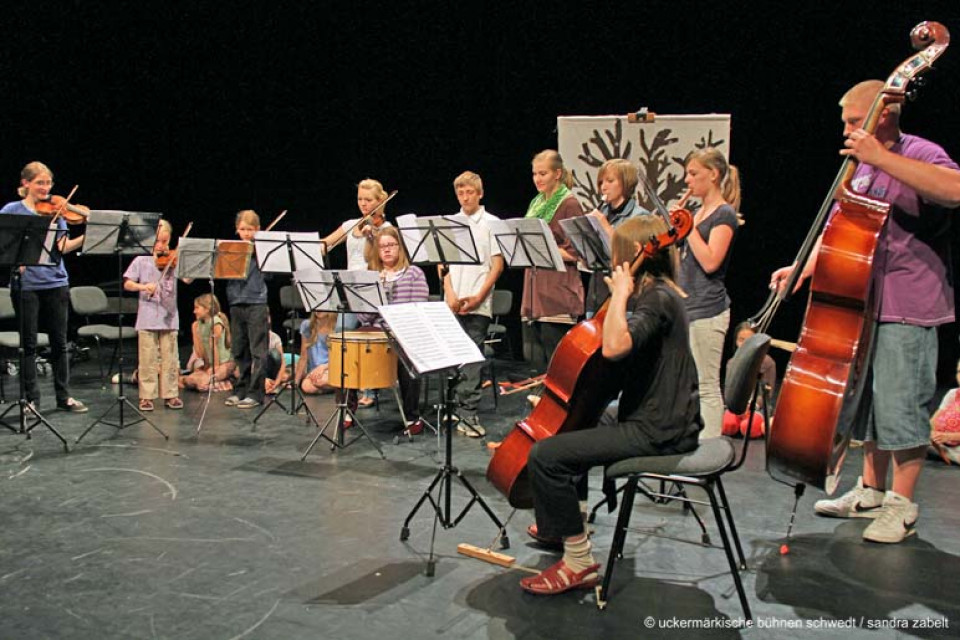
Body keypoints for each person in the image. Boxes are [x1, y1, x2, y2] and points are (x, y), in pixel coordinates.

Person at [772, 80, 960, 543]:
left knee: (901, 409)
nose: (848, 131)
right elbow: (841, 228)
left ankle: (903, 504)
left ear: (885, 114)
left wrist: (881, 157)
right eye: (846, 124)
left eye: (854, 121)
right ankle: (871, 491)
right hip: (860, 301)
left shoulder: (920, 152)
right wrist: (803, 267)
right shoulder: (860, 168)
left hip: (906, 302)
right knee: (869, 408)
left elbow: (955, 191)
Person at [520, 215, 702, 595]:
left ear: (635, 254)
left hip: (659, 428)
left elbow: (616, 347)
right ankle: (573, 520)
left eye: (615, 251)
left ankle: (578, 563)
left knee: (546, 455)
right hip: (661, 416)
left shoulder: (657, 299)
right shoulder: (659, 294)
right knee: (583, 420)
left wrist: (619, 295)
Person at [1, 162, 87, 413]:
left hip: (57, 282)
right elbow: (5, 245)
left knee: (60, 342)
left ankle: (64, 397)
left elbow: (61, 248)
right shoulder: (12, 210)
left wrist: (86, 236)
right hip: (26, 285)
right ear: (26, 183)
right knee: (28, 344)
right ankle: (31, 399)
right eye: (40, 182)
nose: (45, 188)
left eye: (48, 183)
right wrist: (16, 261)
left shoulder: (55, 212)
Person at [678, 147, 741, 439]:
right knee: (687, 384)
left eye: (693, 174)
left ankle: (710, 452)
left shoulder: (724, 214)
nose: (687, 181)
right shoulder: (696, 211)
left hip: (708, 308)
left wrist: (688, 228)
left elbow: (711, 260)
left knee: (707, 385)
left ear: (713, 175)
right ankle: (691, 444)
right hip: (687, 306)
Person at [440, 171, 504, 438]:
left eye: (470, 192)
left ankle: (469, 413)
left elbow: (497, 265)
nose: (465, 197)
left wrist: (478, 297)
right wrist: (450, 293)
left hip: (478, 302)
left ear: (480, 193)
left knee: (471, 357)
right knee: (452, 357)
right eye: (461, 193)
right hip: (453, 300)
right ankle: (453, 406)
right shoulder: (448, 223)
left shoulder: (492, 223)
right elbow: (442, 265)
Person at [321, 178, 393, 407]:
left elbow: (386, 258)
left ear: (380, 200)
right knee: (343, 333)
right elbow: (327, 242)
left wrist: (373, 235)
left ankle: (370, 390)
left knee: (368, 338)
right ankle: (347, 391)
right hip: (350, 287)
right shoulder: (351, 224)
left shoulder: (387, 228)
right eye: (360, 199)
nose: (363, 204)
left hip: (375, 287)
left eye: (368, 200)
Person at [358, 227, 430, 435]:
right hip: (378, 332)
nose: (387, 250)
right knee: (346, 346)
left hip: (403, 332)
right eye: (382, 246)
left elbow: (417, 311)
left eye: (391, 245)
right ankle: (347, 410)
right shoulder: (372, 277)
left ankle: (412, 416)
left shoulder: (414, 273)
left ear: (400, 247)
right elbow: (364, 318)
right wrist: (376, 293)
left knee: (407, 353)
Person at [520, 150, 585, 373]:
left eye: (543, 173)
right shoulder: (536, 203)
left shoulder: (569, 204)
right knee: (534, 364)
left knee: (556, 366)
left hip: (557, 294)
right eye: (534, 174)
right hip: (534, 293)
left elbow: (576, 253)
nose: (537, 179)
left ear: (557, 174)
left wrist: (541, 248)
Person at [122, 220, 182, 411]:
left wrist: (185, 262)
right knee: (147, 359)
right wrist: (143, 286)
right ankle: (147, 396)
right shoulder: (141, 260)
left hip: (169, 317)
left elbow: (188, 279)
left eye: (165, 241)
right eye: (157, 241)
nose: (161, 246)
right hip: (147, 317)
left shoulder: (174, 259)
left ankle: (170, 395)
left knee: (170, 360)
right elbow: (127, 283)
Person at [583, 158, 649, 316]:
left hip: (625, 298)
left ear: (626, 183)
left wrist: (603, 223)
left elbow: (630, 255)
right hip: (597, 292)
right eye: (601, 182)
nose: (603, 187)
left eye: (610, 181)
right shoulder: (602, 212)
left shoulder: (639, 216)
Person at [223, 210, 271, 410]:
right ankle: (240, 390)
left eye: (250, 230)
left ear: (258, 230)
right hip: (235, 301)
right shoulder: (231, 249)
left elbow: (270, 276)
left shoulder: (263, 249)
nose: (246, 234)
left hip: (257, 302)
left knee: (258, 350)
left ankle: (255, 393)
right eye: (242, 229)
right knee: (239, 349)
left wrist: (260, 257)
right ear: (237, 230)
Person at [721, 321, 775, 438]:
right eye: (741, 340)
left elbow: (767, 394)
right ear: (736, 341)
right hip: (737, 406)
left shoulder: (767, 362)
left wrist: (751, 406)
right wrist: (737, 406)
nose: (744, 345)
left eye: (749, 341)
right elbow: (729, 390)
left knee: (748, 428)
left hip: (757, 407)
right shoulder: (731, 363)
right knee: (727, 426)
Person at [180, 293, 235, 392]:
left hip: (224, 363)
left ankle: (218, 380)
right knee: (190, 380)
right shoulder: (196, 325)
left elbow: (213, 347)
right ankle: (205, 381)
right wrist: (196, 332)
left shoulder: (216, 322)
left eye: (197, 308)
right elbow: (199, 352)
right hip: (208, 364)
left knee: (207, 378)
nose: (194, 311)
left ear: (207, 309)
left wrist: (215, 367)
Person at [296, 310, 337, 395]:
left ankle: (334, 385)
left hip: (330, 367)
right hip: (314, 371)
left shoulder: (337, 328)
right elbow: (303, 356)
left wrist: (323, 367)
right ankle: (329, 388)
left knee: (321, 381)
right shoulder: (307, 325)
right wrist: (296, 382)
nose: (318, 310)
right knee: (305, 386)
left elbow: (340, 359)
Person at [930, 359, 960, 465]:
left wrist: (948, 436)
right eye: (959, 372)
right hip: (940, 443)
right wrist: (932, 434)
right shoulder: (952, 394)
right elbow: (934, 420)